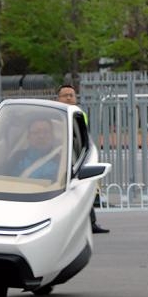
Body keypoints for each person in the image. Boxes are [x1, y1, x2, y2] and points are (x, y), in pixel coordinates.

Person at [57, 84, 109, 234]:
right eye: (65, 95)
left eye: (71, 95)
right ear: (58, 98)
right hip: (61, 159)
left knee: (84, 189)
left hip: (77, 157)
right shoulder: (56, 114)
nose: (68, 97)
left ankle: (91, 223)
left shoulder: (79, 114)